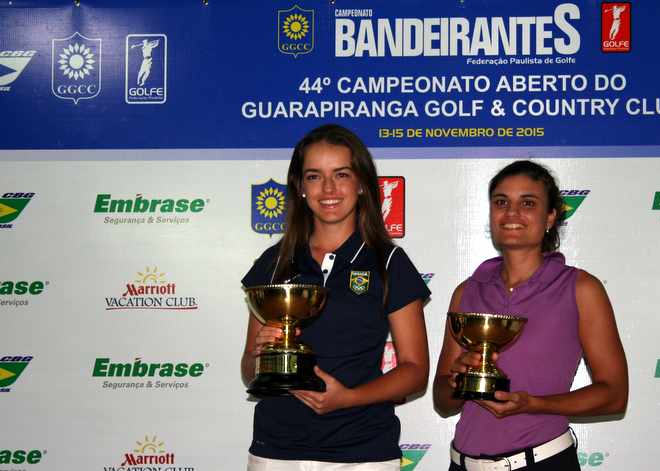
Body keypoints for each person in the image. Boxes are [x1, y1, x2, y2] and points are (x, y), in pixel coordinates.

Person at [241, 124, 430, 470]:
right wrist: (260, 353)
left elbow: (415, 371)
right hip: (276, 451)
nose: (328, 188)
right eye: (314, 176)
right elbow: (249, 371)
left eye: (341, 174)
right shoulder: (274, 262)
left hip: (362, 453)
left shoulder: (388, 261)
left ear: (361, 184)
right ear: (300, 187)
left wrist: (348, 398)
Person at [433, 160, 628, 471]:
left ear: (550, 216)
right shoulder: (467, 291)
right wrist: (459, 379)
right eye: (501, 202)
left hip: (543, 462)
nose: (511, 213)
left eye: (527, 203)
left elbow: (614, 395)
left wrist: (533, 404)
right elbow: (442, 402)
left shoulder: (580, 288)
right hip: (463, 464)